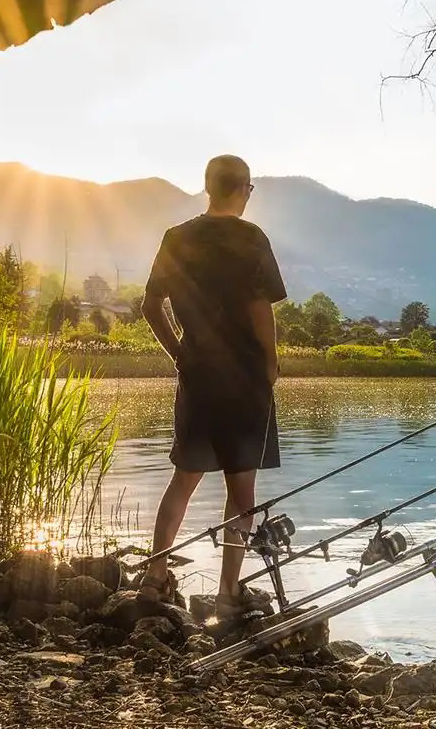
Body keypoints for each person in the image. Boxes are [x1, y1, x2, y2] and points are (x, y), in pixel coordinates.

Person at [140, 154, 285, 623]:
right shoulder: (251, 239)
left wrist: (179, 353)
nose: (248, 196)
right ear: (241, 188)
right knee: (241, 491)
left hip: (198, 374)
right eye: (249, 189)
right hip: (244, 378)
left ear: (207, 187)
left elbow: (150, 305)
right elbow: (261, 309)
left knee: (184, 478)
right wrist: (271, 364)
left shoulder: (176, 238)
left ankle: (155, 575)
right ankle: (227, 593)